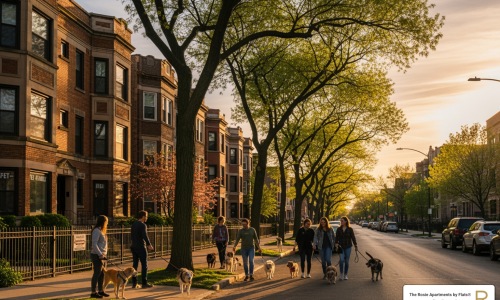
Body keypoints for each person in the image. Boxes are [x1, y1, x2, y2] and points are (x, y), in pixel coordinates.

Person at [130, 210, 154, 289]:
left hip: (134, 246)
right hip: (141, 247)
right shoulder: (143, 225)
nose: (147, 218)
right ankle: (144, 283)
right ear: (143, 217)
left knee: (135, 265)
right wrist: (149, 245)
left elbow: (132, 235)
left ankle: (134, 283)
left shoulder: (134, 224)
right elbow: (145, 235)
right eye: (146, 216)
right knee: (144, 265)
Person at [90, 215, 109, 298]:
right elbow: (94, 244)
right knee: (97, 273)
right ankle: (93, 292)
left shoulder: (102, 231)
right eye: (106, 222)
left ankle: (101, 290)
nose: (107, 223)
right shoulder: (97, 231)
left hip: (103, 255)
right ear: (103, 222)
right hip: (97, 255)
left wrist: (103, 254)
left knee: (102, 274)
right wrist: (100, 254)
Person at [335, 216, 358, 280]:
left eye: (342, 221)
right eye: (341, 221)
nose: (341, 222)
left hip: (348, 246)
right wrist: (336, 244)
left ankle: (345, 274)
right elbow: (336, 238)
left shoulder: (350, 229)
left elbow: (353, 238)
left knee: (347, 261)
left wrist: (355, 245)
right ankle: (341, 274)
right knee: (342, 260)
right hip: (341, 247)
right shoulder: (339, 229)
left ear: (346, 221)